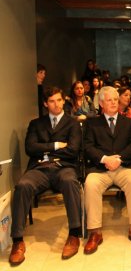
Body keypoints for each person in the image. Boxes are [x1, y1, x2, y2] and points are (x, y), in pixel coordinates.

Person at [9, 87, 82, 265]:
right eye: (51, 101)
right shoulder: (36, 124)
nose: (56, 104)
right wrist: (56, 145)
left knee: (70, 181)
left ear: (63, 100)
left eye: (59, 100)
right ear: (45, 103)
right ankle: (17, 240)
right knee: (22, 185)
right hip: (39, 168)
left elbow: (73, 150)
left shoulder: (72, 123)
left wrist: (45, 149)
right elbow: (30, 148)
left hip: (64, 167)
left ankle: (74, 234)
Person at [83, 86, 131, 254]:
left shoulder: (129, 123)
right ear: (102, 103)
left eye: (115, 100)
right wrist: (105, 159)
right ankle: (95, 232)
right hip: (100, 168)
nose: (113, 103)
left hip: (124, 166)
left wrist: (119, 159)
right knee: (90, 184)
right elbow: (88, 147)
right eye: (109, 100)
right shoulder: (92, 123)